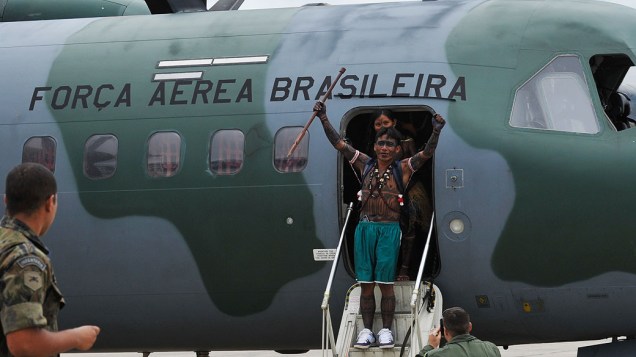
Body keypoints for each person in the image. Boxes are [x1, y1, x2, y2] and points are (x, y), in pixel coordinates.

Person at [314, 101, 445, 349]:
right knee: (365, 286)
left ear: (397, 149)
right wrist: (323, 119)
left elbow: (426, 153)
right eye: (380, 143)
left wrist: (436, 130)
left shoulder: (403, 168)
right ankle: (366, 332)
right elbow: (339, 144)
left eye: (390, 145)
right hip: (364, 229)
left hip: (388, 229)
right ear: (374, 146)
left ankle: (385, 331)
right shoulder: (364, 164)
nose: (384, 148)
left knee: (386, 286)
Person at [0, 163, 100, 357]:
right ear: (50, 202)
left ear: (6, 201)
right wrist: (77, 337)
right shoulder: (25, 259)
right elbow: (24, 343)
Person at [417, 307, 500, 357]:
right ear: (470, 326)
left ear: (445, 331)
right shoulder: (492, 349)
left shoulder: (436, 355)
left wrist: (431, 346)